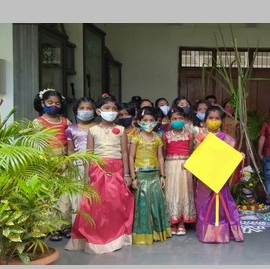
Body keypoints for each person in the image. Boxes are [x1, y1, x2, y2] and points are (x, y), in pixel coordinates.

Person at [65, 93, 134, 254]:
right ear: (98, 111)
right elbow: (89, 153)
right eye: (107, 108)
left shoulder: (121, 130)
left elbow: (124, 153)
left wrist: (127, 174)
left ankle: (117, 237)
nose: (111, 111)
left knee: (116, 204)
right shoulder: (93, 130)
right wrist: (87, 174)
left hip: (117, 170)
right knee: (95, 205)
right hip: (97, 169)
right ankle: (95, 238)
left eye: (114, 109)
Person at [194, 106, 244, 243]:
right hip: (205, 175)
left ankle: (223, 231)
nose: (214, 121)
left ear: (221, 121)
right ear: (205, 121)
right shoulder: (200, 137)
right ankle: (207, 233)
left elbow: (229, 157)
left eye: (217, 118)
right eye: (211, 118)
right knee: (205, 202)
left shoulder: (227, 139)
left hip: (220, 175)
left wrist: (239, 156)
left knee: (221, 203)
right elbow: (197, 156)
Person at [33, 88, 73, 241]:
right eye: (50, 103)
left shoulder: (66, 121)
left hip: (64, 161)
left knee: (64, 195)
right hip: (46, 163)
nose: (54, 106)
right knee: (48, 196)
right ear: (42, 103)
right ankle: (49, 228)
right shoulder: (38, 123)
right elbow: (35, 144)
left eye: (57, 103)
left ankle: (63, 226)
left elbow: (70, 143)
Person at [129, 107, 172, 244]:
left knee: (156, 203)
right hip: (140, 175)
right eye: (145, 120)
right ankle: (143, 234)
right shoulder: (136, 138)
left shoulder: (158, 138)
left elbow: (160, 158)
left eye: (151, 120)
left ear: (156, 122)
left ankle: (157, 232)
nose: (148, 123)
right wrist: (133, 177)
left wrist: (162, 176)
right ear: (139, 121)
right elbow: (131, 157)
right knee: (143, 205)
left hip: (154, 175)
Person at [163, 106, 196, 236]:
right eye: (174, 119)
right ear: (170, 121)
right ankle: (172, 221)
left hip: (185, 167)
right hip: (170, 167)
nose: (178, 120)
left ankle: (182, 222)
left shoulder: (189, 135)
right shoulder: (165, 136)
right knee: (171, 192)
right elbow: (164, 152)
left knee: (184, 192)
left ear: (184, 119)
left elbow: (191, 152)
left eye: (180, 118)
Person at [65, 97, 96, 225]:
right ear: (76, 111)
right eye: (82, 108)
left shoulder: (98, 128)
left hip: (95, 166)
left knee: (94, 197)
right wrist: (71, 166)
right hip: (78, 166)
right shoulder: (71, 129)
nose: (85, 111)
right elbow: (70, 150)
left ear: (95, 111)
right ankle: (79, 227)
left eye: (89, 108)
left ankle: (94, 226)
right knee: (77, 198)